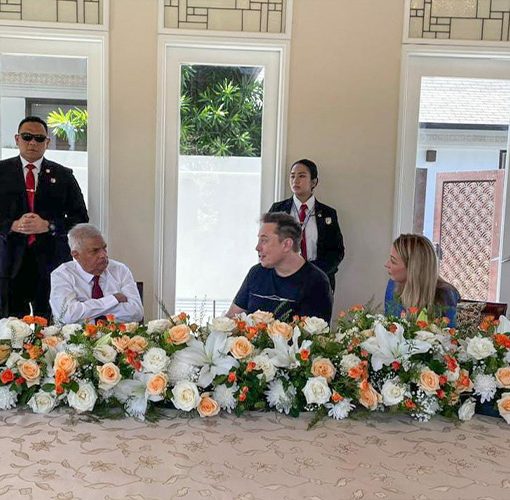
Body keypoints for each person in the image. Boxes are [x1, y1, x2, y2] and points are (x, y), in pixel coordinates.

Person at [0, 116, 88, 319]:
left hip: (51, 262)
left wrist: (49, 226)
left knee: (52, 323)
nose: (32, 143)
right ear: (17, 139)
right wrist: (12, 225)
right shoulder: (1, 172)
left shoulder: (63, 175)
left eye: (39, 138)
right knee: (11, 326)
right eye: (27, 137)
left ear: (47, 142)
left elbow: (81, 218)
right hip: (9, 262)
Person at [227, 212, 333, 323]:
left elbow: (313, 332)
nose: (257, 247)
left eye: (264, 240)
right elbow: (231, 319)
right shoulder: (256, 273)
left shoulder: (317, 282)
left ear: (286, 244)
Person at [269, 159, 344, 292]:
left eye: (301, 176)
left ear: (314, 182)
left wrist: (313, 272)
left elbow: (336, 251)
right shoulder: (278, 210)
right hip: (284, 279)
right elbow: (268, 244)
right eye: (292, 176)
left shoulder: (328, 213)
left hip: (318, 279)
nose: (295, 180)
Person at [50, 223, 143, 324]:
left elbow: (137, 313)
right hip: (77, 334)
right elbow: (68, 315)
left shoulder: (120, 270)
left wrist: (85, 308)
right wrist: (114, 299)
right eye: (95, 251)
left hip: (117, 333)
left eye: (104, 248)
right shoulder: (62, 275)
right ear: (76, 255)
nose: (103, 255)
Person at [384, 233, 460, 326]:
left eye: (393, 261)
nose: (386, 264)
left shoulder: (446, 295)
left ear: (413, 268)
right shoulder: (392, 286)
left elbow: (449, 333)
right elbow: (389, 327)